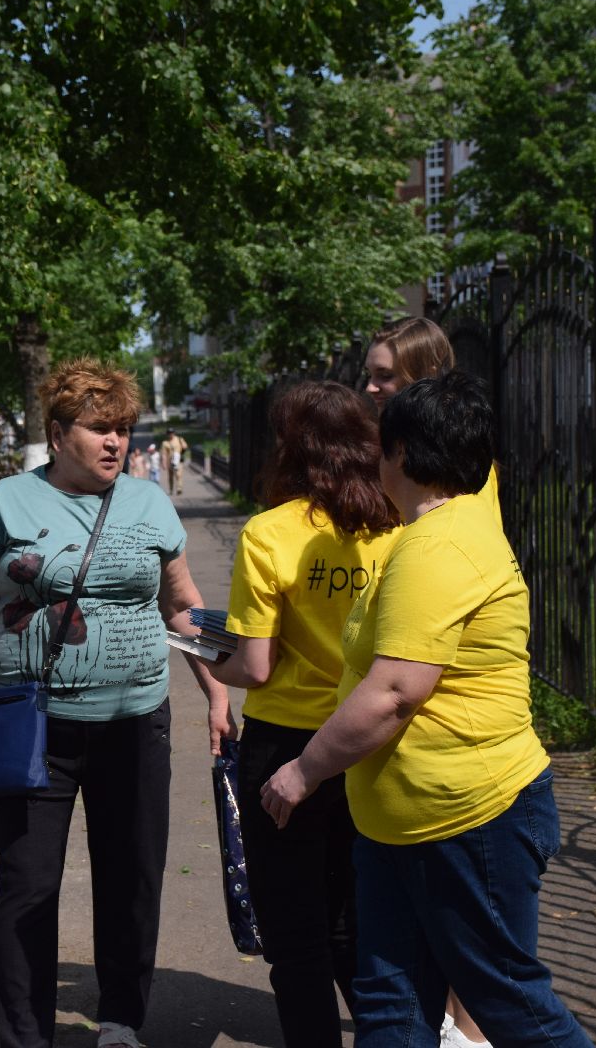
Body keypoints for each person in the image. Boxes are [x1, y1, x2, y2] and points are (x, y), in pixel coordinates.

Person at [260, 373, 594, 1048]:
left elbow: (395, 693)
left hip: (467, 820)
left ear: (404, 455)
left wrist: (304, 771)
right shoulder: (437, 532)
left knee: (508, 1005)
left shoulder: (438, 546)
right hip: (405, 825)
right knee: (392, 1004)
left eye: (383, 446)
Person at [0, 357, 232, 1048]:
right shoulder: (6, 502)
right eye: (100, 429)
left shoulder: (149, 503)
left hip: (134, 723)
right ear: (60, 431)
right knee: (26, 886)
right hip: (33, 727)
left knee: (131, 878)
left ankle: (122, 1019)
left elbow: (184, 607)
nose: (116, 443)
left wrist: (219, 694)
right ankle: (24, 1035)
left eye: (124, 430)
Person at [206, 382, 399, 1047]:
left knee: (295, 935)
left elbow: (254, 666)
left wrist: (208, 660)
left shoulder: (270, 533)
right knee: (359, 926)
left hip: (285, 747)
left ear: (290, 447)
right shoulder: (396, 527)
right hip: (368, 741)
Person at [365, 317, 499, 1048]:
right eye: (370, 373)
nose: (371, 387)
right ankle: (445, 1024)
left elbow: (410, 674)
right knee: (401, 962)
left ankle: (466, 1032)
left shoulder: (452, 489)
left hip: (446, 740)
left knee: (480, 957)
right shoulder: (398, 468)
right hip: (403, 756)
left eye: (385, 374)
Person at [160, 428, 189, 495]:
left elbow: (185, 446)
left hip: (178, 460)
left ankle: (179, 488)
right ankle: (171, 489)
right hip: (170, 461)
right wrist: (163, 463)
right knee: (170, 476)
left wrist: (183, 447)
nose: (171, 434)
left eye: (172, 433)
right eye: (169, 433)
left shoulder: (179, 439)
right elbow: (164, 454)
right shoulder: (165, 443)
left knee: (178, 475)